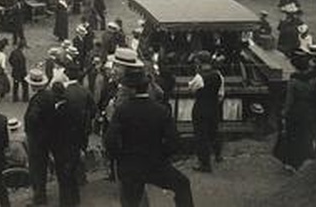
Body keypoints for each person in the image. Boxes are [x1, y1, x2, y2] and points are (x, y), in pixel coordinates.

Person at [104, 73, 193, 207]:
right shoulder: (161, 110)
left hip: (130, 165)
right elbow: (174, 141)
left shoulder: (122, 110)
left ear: (132, 89)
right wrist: (161, 155)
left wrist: (120, 156)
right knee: (182, 184)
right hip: (155, 164)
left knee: (130, 201)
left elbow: (110, 140)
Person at [50, 62, 94, 207]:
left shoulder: (64, 93)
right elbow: (93, 110)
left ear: (67, 75)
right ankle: (80, 183)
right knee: (75, 164)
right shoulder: (85, 91)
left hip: (63, 142)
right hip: (80, 134)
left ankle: (67, 201)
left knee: (64, 175)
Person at [275, 49, 316, 170]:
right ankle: (306, 161)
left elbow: (289, 101)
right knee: (307, 136)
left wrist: (283, 113)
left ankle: (293, 163)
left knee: (294, 137)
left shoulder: (293, 81)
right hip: (309, 110)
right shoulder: (314, 79)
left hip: (295, 112)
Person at [188, 53, 223, 172]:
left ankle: (205, 163)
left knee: (201, 136)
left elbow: (191, 89)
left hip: (201, 108)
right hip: (213, 107)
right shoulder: (218, 75)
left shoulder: (199, 77)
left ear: (200, 62)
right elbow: (221, 93)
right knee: (213, 131)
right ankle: (218, 154)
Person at [24, 68, 54, 206]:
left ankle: (39, 198)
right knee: (42, 167)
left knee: (36, 168)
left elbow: (33, 118)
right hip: (48, 136)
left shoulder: (37, 100)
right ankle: (41, 195)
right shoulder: (49, 95)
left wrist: (31, 127)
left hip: (37, 139)